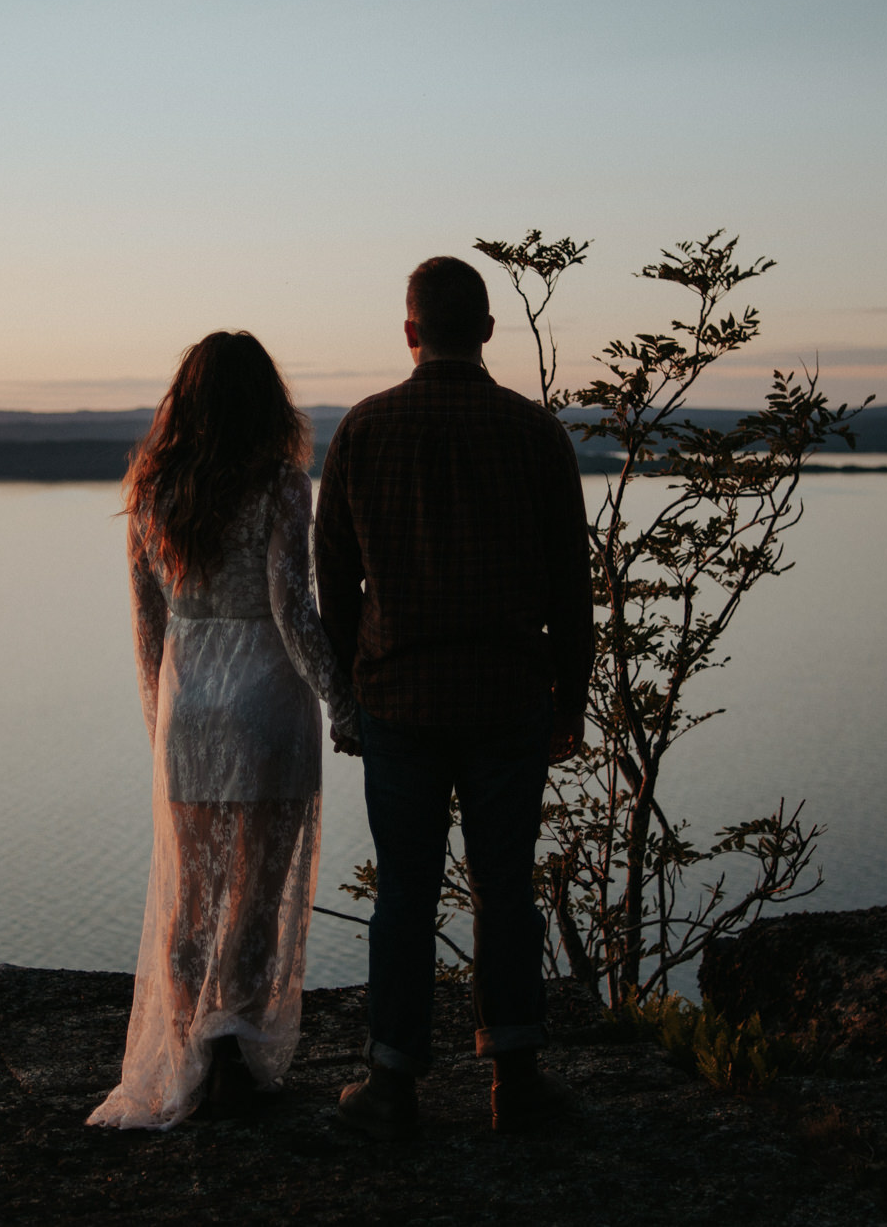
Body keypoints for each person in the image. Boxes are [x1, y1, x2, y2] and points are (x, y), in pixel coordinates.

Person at [314, 255, 592, 1140]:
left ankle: (392, 1085)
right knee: (505, 888)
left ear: (409, 332)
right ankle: (515, 1082)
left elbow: (334, 583)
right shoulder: (534, 433)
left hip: (399, 702)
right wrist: (571, 701)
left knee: (405, 891)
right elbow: (571, 585)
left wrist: (355, 689)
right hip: (510, 700)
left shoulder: (363, 430)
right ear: (486, 333)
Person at [88, 331, 358, 1131]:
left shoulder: (150, 491)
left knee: (192, 899)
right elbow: (290, 609)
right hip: (267, 702)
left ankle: (190, 1055)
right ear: (266, 401)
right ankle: (234, 1054)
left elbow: (146, 632)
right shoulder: (280, 486)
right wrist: (342, 702)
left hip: (189, 711)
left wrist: (159, 727)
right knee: (256, 893)